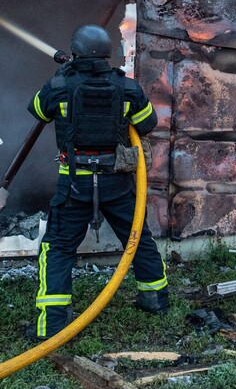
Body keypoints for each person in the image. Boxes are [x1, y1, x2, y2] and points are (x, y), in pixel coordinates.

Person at [27, 24, 168, 340]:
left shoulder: (61, 85)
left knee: (59, 248)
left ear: (75, 53)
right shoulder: (127, 88)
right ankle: (155, 299)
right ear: (107, 53)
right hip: (117, 183)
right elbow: (147, 124)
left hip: (74, 185)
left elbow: (37, 109)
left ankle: (52, 325)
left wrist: (63, 76)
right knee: (137, 239)